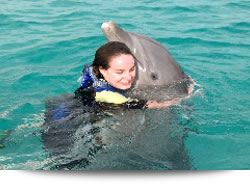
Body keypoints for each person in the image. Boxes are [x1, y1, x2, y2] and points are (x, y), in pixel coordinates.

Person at [74, 41, 182, 109]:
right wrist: (173, 101)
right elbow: (140, 104)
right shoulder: (107, 94)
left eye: (132, 69)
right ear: (102, 69)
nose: (128, 77)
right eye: (119, 72)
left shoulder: (93, 75)